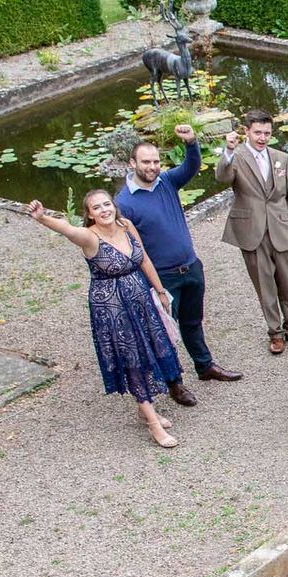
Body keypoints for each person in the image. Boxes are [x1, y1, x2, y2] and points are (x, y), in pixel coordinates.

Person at [27, 190, 183, 446]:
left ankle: (145, 410)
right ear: (89, 214)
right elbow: (67, 229)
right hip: (113, 310)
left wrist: (160, 290)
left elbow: (144, 259)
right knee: (132, 357)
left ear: (114, 206)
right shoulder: (90, 237)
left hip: (142, 301)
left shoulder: (126, 225)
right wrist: (42, 218)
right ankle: (154, 424)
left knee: (149, 352)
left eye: (107, 204)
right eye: (96, 207)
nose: (104, 210)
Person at [114, 123, 240, 392]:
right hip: (162, 276)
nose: (152, 167)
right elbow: (128, 247)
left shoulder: (167, 182)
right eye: (146, 162)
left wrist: (192, 142)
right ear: (132, 163)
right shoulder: (124, 203)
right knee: (164, 331)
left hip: (191, 267)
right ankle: (175, 382)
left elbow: (191, 167)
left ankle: (204, 366)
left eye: (156, 161)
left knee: (193, 321)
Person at [214, 112, 288, 356]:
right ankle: (275, 333)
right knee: (264, 284)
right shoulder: (237, 157)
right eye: (257, 133)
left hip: (281, 226)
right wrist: (228, 151)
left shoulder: (281, 158)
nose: (263, 138)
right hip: (252, 229)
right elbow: (222, 178)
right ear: (246, 132)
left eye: (267, 133)